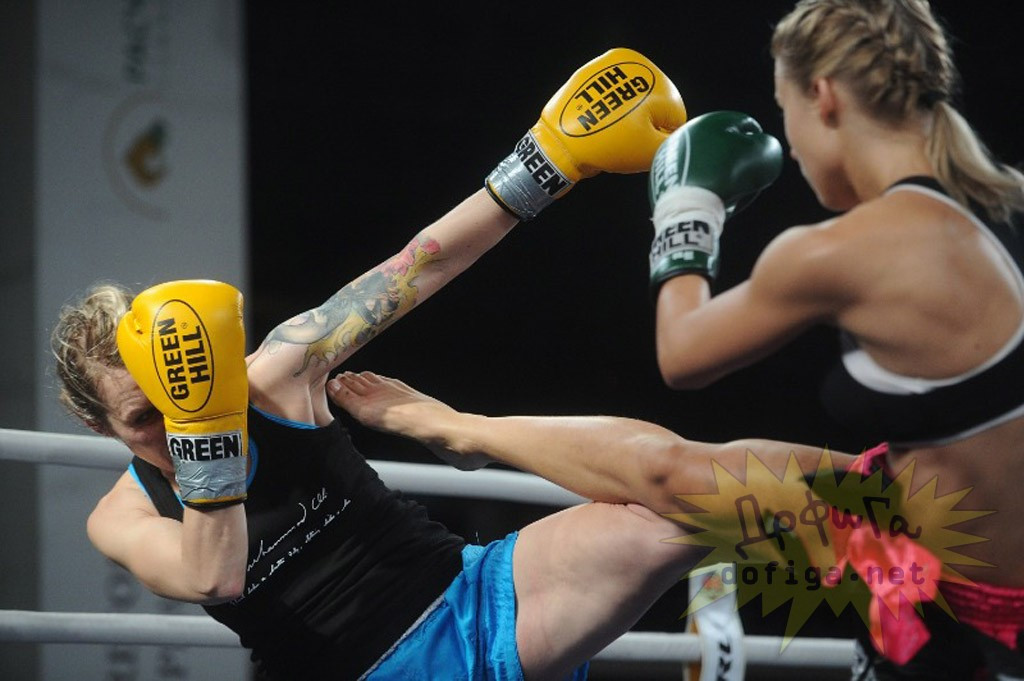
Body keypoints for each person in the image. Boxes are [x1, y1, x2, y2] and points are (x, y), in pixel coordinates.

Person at [50, 49, 696, 681]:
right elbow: (212, 577)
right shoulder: (120, 518)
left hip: (475, 593)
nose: (170, 421)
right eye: (144, 416)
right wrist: (205, 420)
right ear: (99, 425)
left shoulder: (273, 376)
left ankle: (468, 434)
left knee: (692, 501)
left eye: (172, 394)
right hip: (362, 669)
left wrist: (548, 159)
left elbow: (420, 266)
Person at [640, 0, 1024, 678]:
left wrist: (686, 207)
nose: (790, 145)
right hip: (950, 606)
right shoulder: (1010, 203)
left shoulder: (843, 250)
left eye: (784, 110)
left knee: (696, 480)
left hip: (964, 621)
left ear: (822, 95)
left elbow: (682, 352)